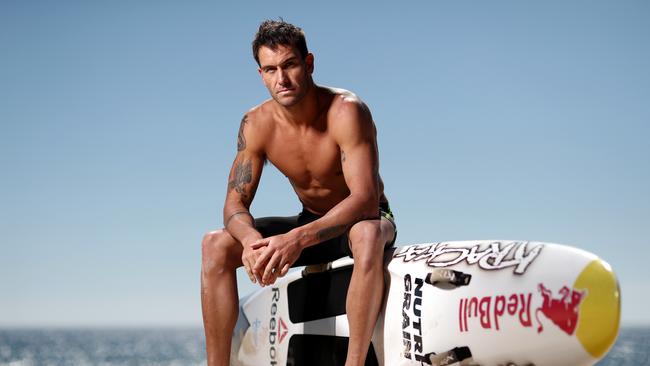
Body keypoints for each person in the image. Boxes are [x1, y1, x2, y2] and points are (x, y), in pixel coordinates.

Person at [200, 19, 396, 366]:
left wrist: (295, 240)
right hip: (310, 223)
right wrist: (248, 243)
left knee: (366, 234)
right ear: (261, 74)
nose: (282, 79)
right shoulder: (256, 124)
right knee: (215, 245)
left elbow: (364, 199)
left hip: (363, 218)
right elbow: (235, 202)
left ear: (308, 64)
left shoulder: (346, 111)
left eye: (289, 64)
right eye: (271, 69)